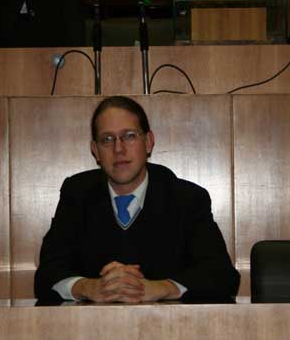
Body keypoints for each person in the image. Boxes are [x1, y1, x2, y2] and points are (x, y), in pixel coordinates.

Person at [34, 96, 240, 303]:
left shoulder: (187, 198)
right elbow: (46, 276)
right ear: (95, 151)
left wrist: (163, 288)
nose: (118, 149)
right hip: (88, 324)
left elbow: (223, 275)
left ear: (148, 142)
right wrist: (87, 287)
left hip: (171, 323)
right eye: (107, 139)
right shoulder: (77, 195)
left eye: (129, 136)